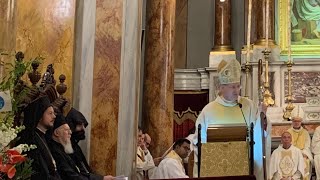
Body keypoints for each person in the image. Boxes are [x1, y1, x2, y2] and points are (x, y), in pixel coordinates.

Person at [193, 59, 269, 179]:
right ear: (222, 88)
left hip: (243, 167)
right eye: (232, 87)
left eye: (238, 86)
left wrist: (262, 116)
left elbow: (259, 133)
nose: (236, 90)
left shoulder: (248, 106)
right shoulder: (208, 110)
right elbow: (200, 142)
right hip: (217, 168)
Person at [48, 113, 114, 180]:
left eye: (69, 130)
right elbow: (71, 176)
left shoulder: (64, 148)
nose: (70, 132)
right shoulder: (54, 151)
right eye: (66, 130)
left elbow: (81, 171)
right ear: (56, 133)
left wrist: (101, 178)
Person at [18, 96, 61, 180]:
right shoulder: (29, 142)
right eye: (50, 113)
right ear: (40, 115)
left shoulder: (44, 137)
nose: (54, 116)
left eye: (54, 113)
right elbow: (41, 175)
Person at [65, 108, 113, 180]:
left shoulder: (75, 146)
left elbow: (86, 170)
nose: (83, 129)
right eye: (80, 125)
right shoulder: (66, 147)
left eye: (83, 126)